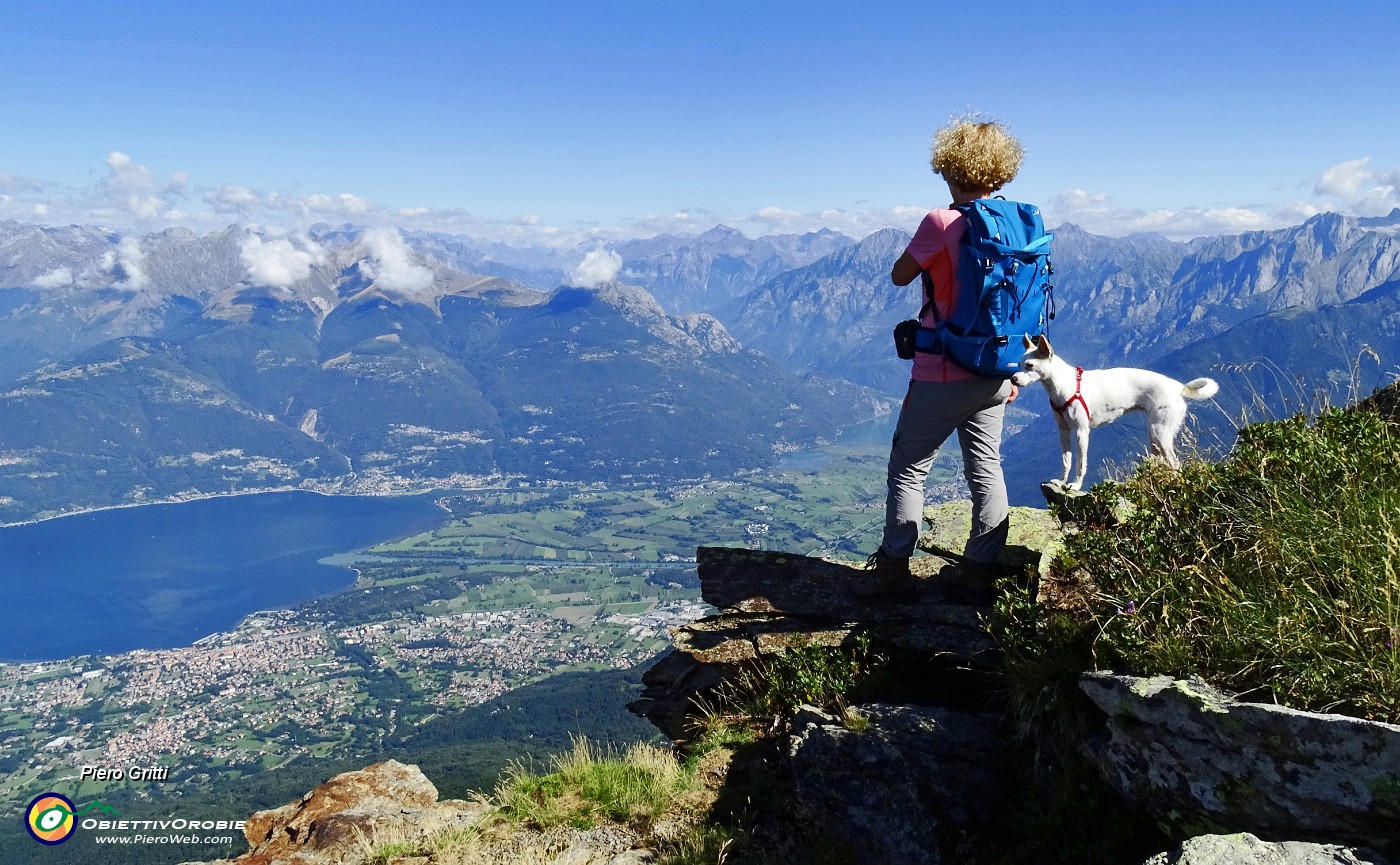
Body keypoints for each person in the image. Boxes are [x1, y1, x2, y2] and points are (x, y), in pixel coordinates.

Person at [853, 117, 1024, 604]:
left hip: (943, 369)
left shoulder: (941, 222)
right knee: (986, 466)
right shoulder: (1022, 224)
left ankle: (892, 570)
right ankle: (980, 568)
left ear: (949, 166)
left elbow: (899, 276)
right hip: (996, 368)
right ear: (1001, 171)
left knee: (909, 466)